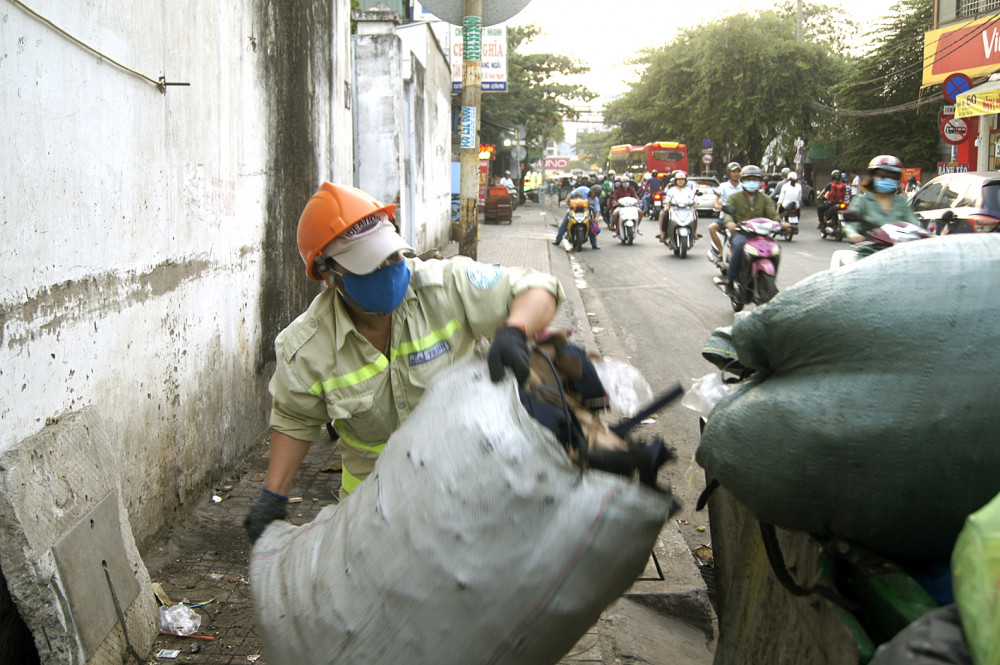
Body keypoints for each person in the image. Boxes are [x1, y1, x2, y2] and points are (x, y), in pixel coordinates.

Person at [243, 182, 564, 543]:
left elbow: (539, 287)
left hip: (469, 489)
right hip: (373, 511)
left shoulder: (443, 287)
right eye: (370, 265)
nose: (388, 268)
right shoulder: (307, 349)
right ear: (330, 276)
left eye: (392, 256)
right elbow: (295, 419)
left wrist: (515, 330)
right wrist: (273, 496)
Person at [724, 165, 784, 296]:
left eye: (755, 179)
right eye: (748, 179)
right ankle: (730, 280)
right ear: (743, 181)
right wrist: (730, 222)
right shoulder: (735, 198)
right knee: (739, 247)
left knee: (776, 248)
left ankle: (771, 279)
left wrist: (780, 223)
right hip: (742, 234)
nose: (752, 182)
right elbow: (728, 213)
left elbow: (772, 214)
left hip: (762, 235)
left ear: (760, 181)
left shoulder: (765, 199)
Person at [844, 155, 919, 243]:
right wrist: (854, 236)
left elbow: (914, 224)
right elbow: (851, 226)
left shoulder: (902, 201)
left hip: (898, 249)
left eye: (893, 176)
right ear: (873, 176)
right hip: (870, 250)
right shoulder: (862, 201)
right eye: (883, 175)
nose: (888, 179)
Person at [708, 162, 742, 262]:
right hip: (726, 217)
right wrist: (717, 205)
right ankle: (721, 251)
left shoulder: (744, 187)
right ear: (729, 173)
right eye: (733, 171)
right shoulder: (723, 186)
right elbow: (717, 198)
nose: (736, 174)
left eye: (738, 171)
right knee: (712, 228)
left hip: (741, 217)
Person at [554, 182, 600, 248]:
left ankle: (594, 245)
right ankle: (557, 240)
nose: (594, 196)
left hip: (585, 213)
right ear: (592, 191)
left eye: (596, 195)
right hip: (573, 211)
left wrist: (596, 218)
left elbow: (597, 210)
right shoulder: (582, 189)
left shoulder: (595, 199)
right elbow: (571, 194)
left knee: (591, 226)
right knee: (564, 224)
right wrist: (565, 202)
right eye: (594, 194)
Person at [659, 170, 696, 244]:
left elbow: (693, 198)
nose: (681, 181)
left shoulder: (688, 190)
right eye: (679, 180)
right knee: (662, 214)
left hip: (687, 209)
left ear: (685, 181)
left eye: (682, 180)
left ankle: (694, 233)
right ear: (676, 181)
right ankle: (663, 234)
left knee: (696, 214)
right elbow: (668, 198)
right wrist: (666, 202)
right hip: (674, 209)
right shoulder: (671, 190)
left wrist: (695, 201)